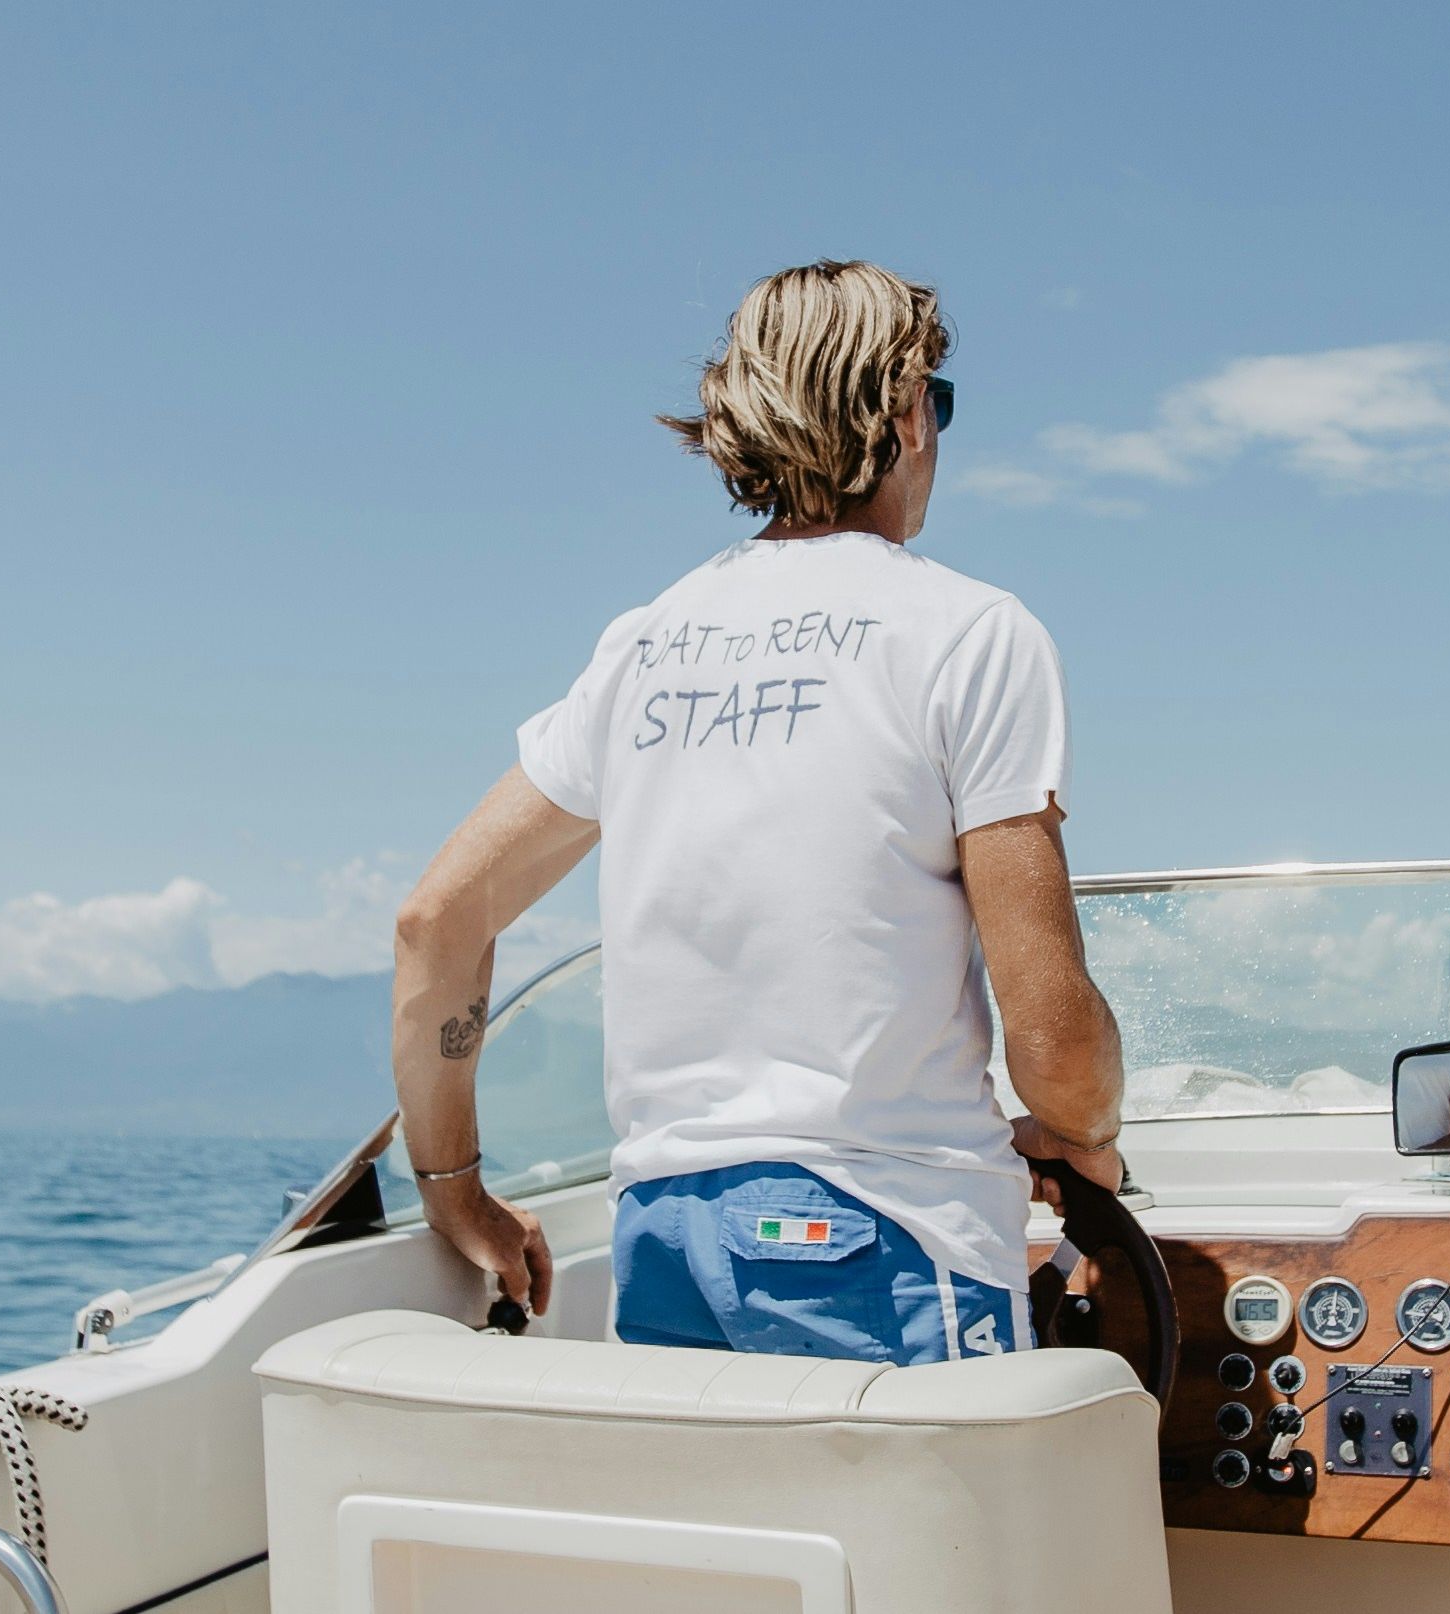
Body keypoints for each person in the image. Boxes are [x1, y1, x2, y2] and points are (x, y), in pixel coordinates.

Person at [382, 259, 1129, 1364]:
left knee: (745, 1542)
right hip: (885, 1231)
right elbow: (1053, 1032)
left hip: (666, 1237)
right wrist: (1083, 1138)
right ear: (908, 412)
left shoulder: (644, 644)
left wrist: (452, 1187)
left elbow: (434, 926)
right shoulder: (970, 633)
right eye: (942, 402)